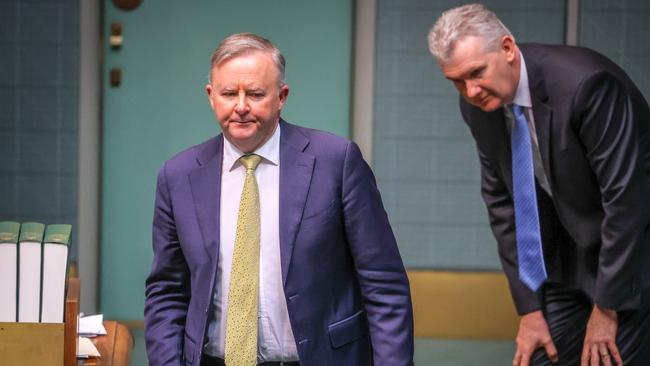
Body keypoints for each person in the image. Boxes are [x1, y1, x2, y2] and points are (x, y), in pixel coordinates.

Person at [144, 32, 414, 366]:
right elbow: (167, 292)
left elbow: (383, 284)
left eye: (256, 94)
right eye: (229, 93)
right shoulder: (178, 176)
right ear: (212, 96)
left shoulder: (336, 162)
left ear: (281, 96)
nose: (241, 106)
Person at [428, 4, 650, 366]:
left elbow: (625, 200)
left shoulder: (585, 85)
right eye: (456, 81)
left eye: (476, 72)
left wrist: (606, 309)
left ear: (507, 49)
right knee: (538, 358)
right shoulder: (477, 105)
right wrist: (529, 310)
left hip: (632, 258)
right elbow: (503, 204)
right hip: (566, 262)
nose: (470, 90)